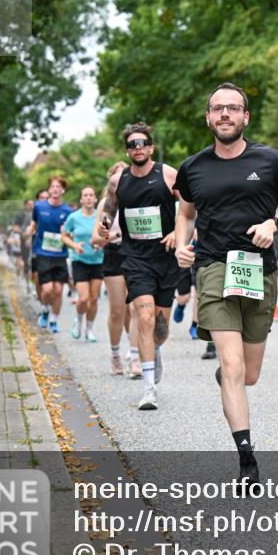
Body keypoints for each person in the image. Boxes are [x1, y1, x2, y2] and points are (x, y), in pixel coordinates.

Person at [175, 82, 278, 489]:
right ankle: (247, 459)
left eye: (233, 108)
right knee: (231, 365)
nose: (225, 114)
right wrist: (182, 244)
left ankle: (230, 380)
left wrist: (274, 222)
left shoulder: (270, 160)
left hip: (258, 270)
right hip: (213, 268)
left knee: (248, 374)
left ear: (246, 117)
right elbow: (184, 211)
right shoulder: (193, 167)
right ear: (208, 117)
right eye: (218, 108)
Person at [98, 123, 181, 410]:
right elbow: (110, 205)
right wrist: (106, 222)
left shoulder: (168, 175)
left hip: (166, 258)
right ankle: (148, 389)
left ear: (151, 147)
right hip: (135, 259)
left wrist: (178, 234)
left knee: (160, 327)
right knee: (143, 318)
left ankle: (155, 349)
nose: (138, 148)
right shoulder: (119, 180)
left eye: (142, 143)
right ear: (127, 150)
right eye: (132, 144)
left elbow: (193, 209)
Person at [93, 162, 141, 377]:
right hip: (113, 255)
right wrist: (115, 235)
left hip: (136, 254)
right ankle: (115, 355)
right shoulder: (106, 203)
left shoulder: (138, 198)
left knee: (136, 308)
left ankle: (135, 357)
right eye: (118, 175)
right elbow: (96, 238)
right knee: (117, 311)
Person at [27, 176, 74, 332]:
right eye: (52, 186)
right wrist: (29, 232)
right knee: (47, 289)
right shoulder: (39, 207)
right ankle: (45, 309)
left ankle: (54, 319)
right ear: (49, 189)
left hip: (60, 254)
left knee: (59, 290)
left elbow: (71, 234)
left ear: (63, 190)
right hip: (43, 252)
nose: (55, 189)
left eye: (58, 187)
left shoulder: (68, 211)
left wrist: (68, 236)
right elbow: (33, 224)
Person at [62, 186, 105, 342]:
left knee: (94, 298)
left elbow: (107, 236)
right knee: (83, 298)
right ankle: (78, 320)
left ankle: (90, 329)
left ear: (95, 199)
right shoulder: (73, 217)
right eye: (85, 195)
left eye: (91, 195)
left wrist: (103, 243)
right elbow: (64, 236)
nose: (88, 198)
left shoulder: (101, 217)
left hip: (98, 261)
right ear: (81, 199)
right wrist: (74, 246)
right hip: (79, 260)